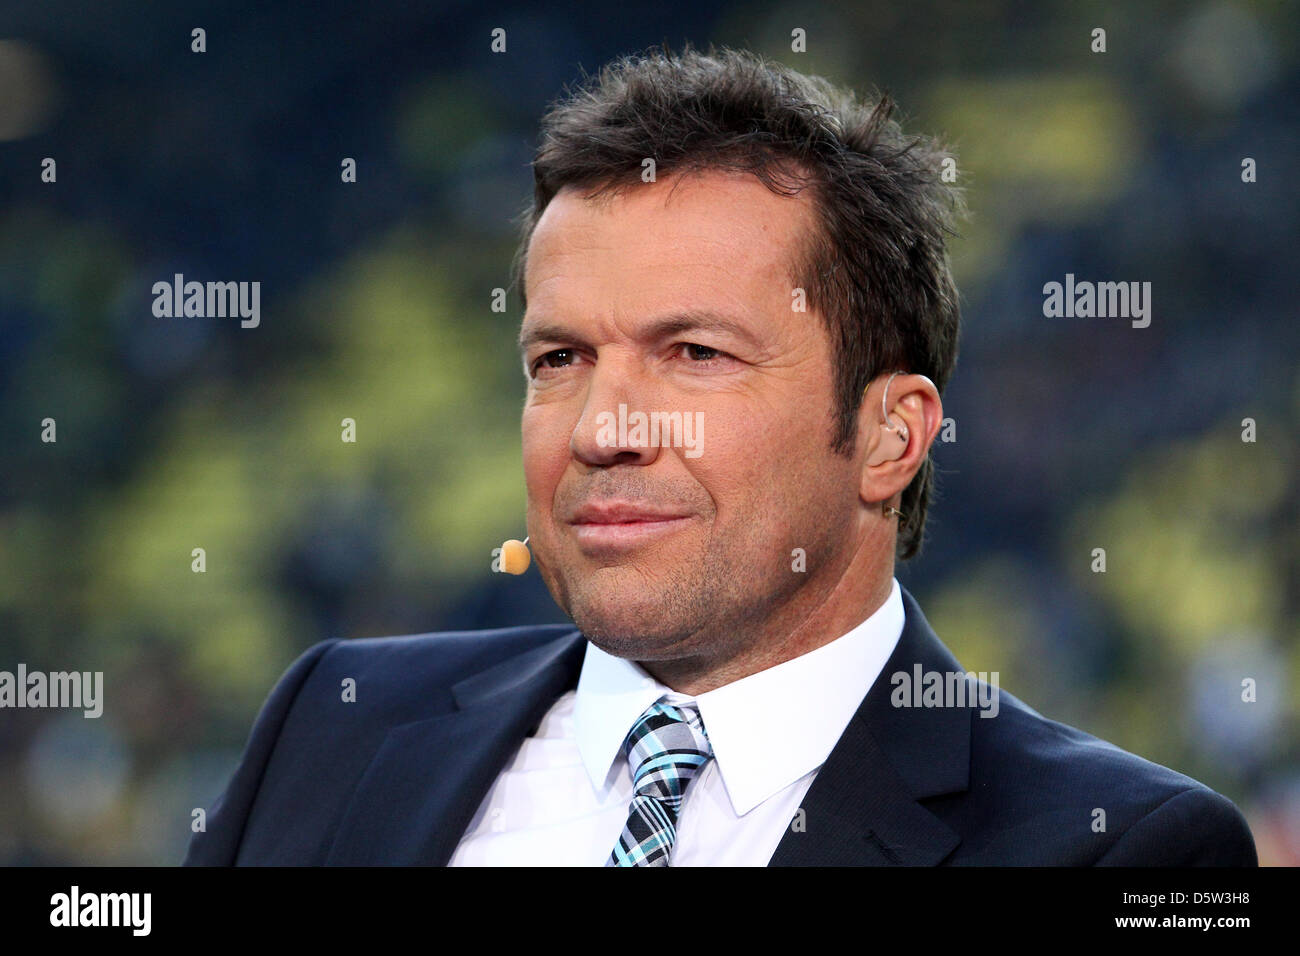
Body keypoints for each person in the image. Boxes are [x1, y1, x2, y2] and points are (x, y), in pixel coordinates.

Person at [184, 44, 1256, 866]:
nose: (601, 428)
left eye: (693, 352)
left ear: (891, 434)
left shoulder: (1120, 845)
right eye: (559, 356)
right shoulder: (333, 722)